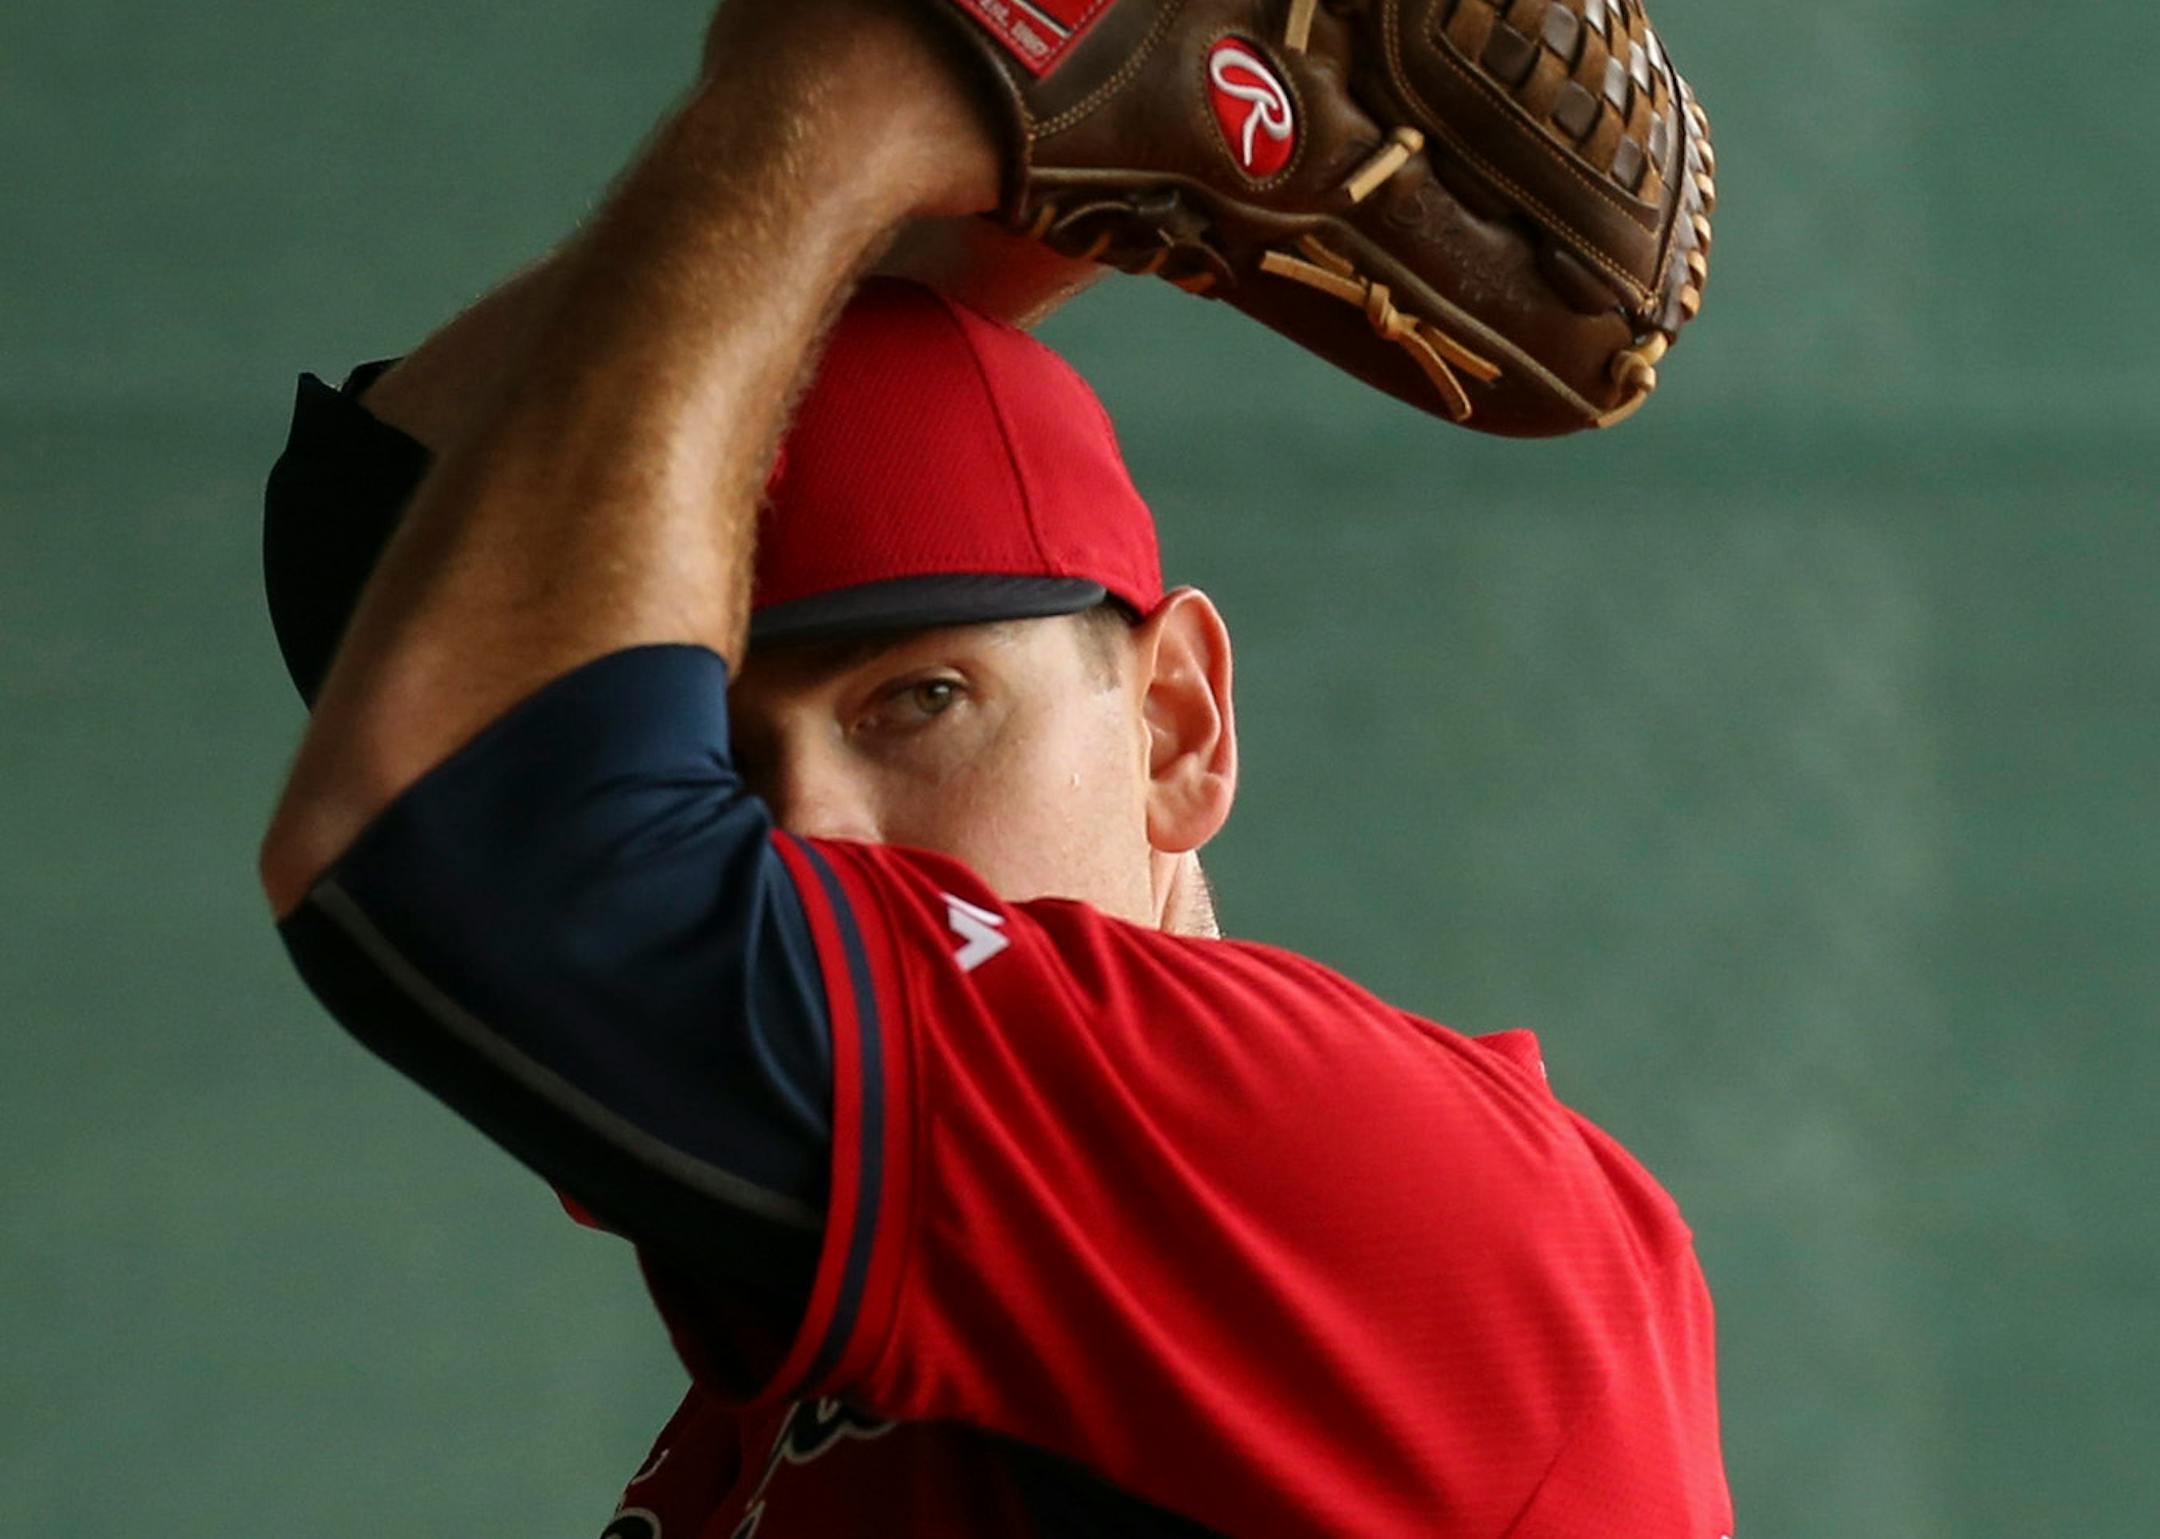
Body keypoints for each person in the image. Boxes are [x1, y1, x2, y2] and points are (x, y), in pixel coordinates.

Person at [258, 2, 1731, 1534]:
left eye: (922, 700)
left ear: (1179, 725)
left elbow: (478, 837)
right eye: (710, 763)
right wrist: (920, 217)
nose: (806, 829)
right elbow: (359, 538)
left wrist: (835, 119)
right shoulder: (835, 1361)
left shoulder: (1370, 1191)